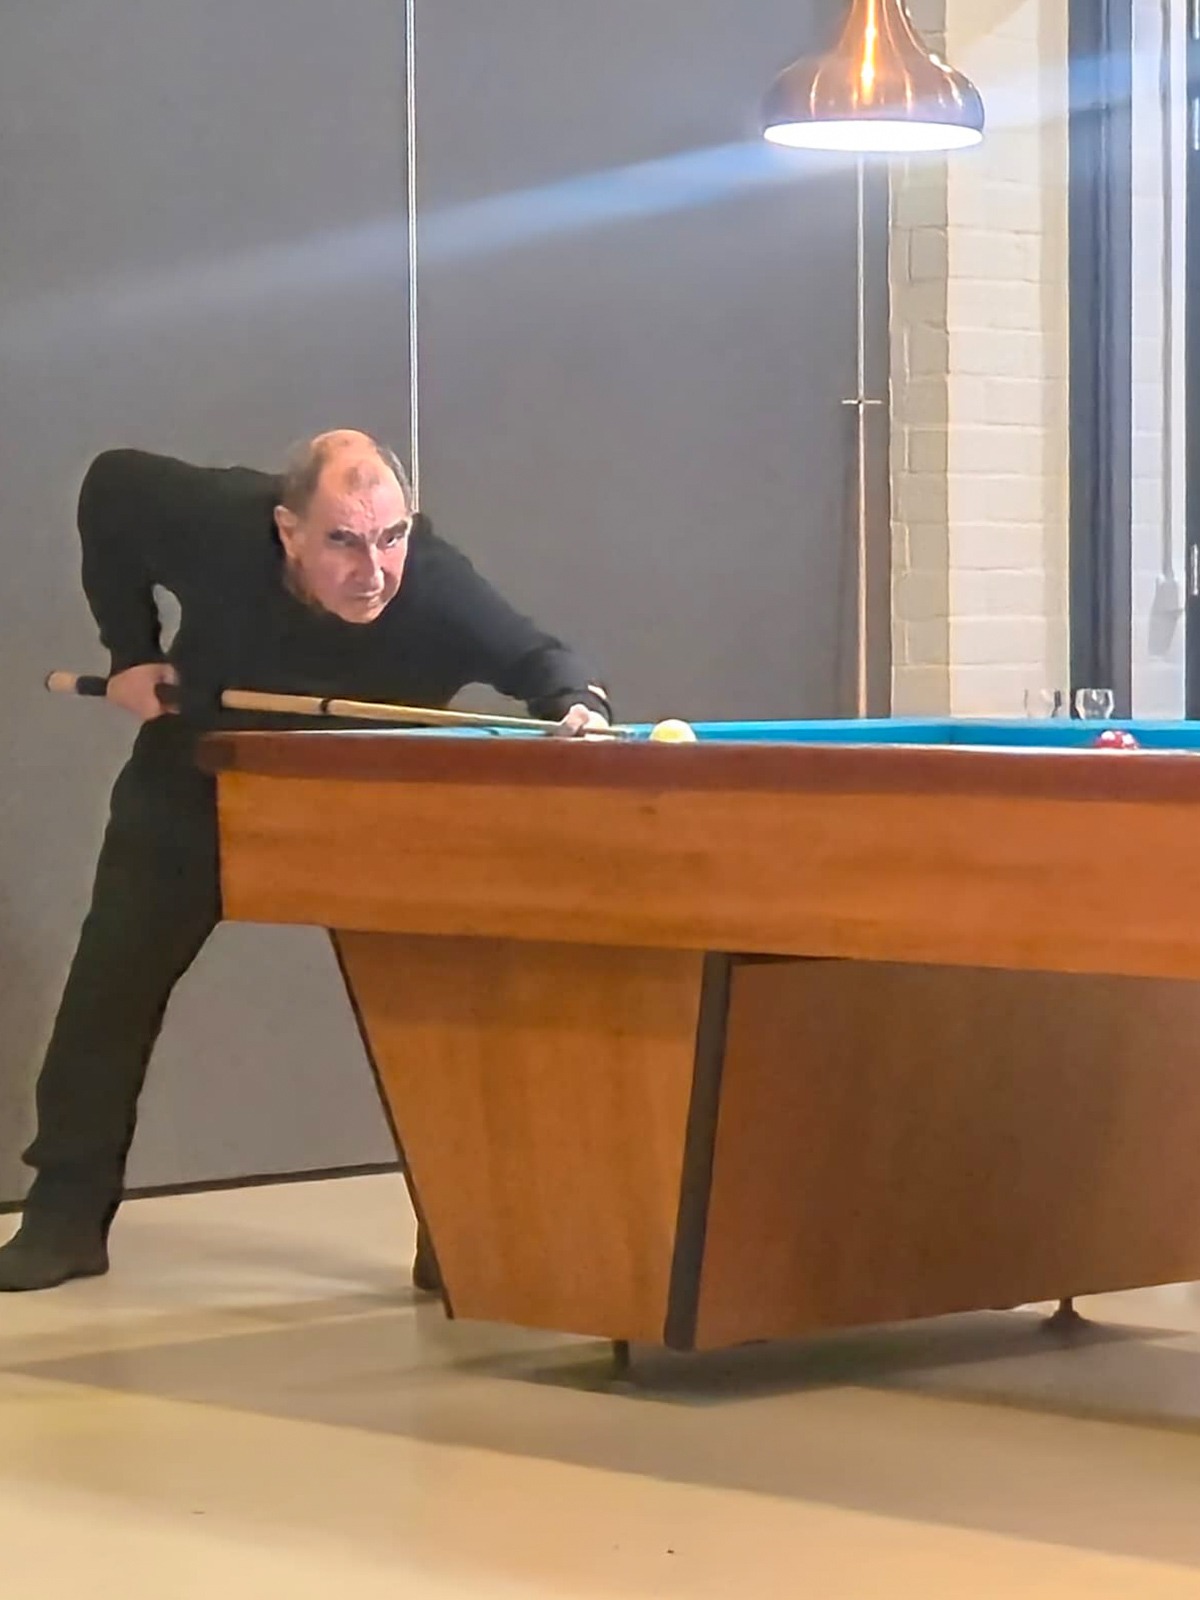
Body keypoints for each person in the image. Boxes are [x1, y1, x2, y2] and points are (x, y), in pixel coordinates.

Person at [0, 430, 611, 1293]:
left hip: (365, 798)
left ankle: (456, 1232)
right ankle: (64, 1219)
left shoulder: (435, 585)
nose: (374, 570)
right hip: (204, 775)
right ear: (288, 530)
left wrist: (579, 708)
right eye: (344, 542)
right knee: (110, 987)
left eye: (391, 537)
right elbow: (110, 487)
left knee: (432, 1011)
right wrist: (130, 650)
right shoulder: (217, 522)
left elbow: (546, 664)